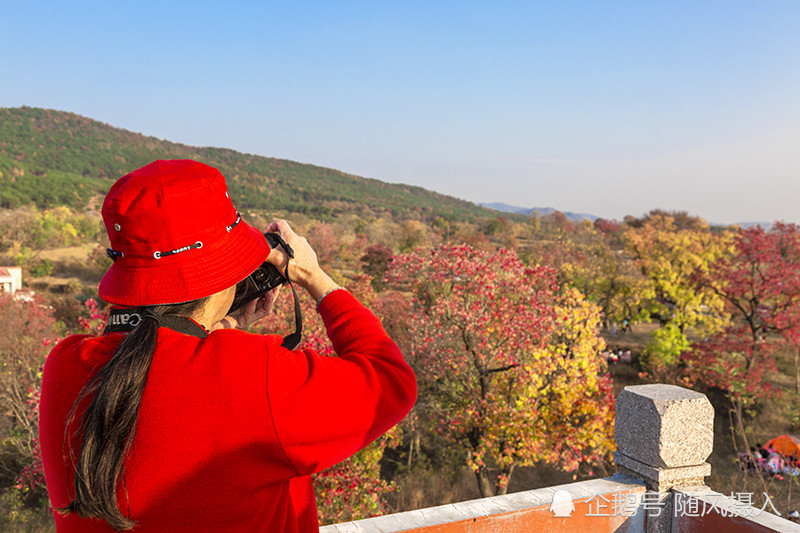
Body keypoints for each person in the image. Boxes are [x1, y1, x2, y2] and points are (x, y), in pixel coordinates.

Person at [39, 160, 417, 532]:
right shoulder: (251, 376)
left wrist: (213, 331)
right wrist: (312, 276)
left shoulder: (65, 365)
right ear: (218, 272)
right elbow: (391, 380)